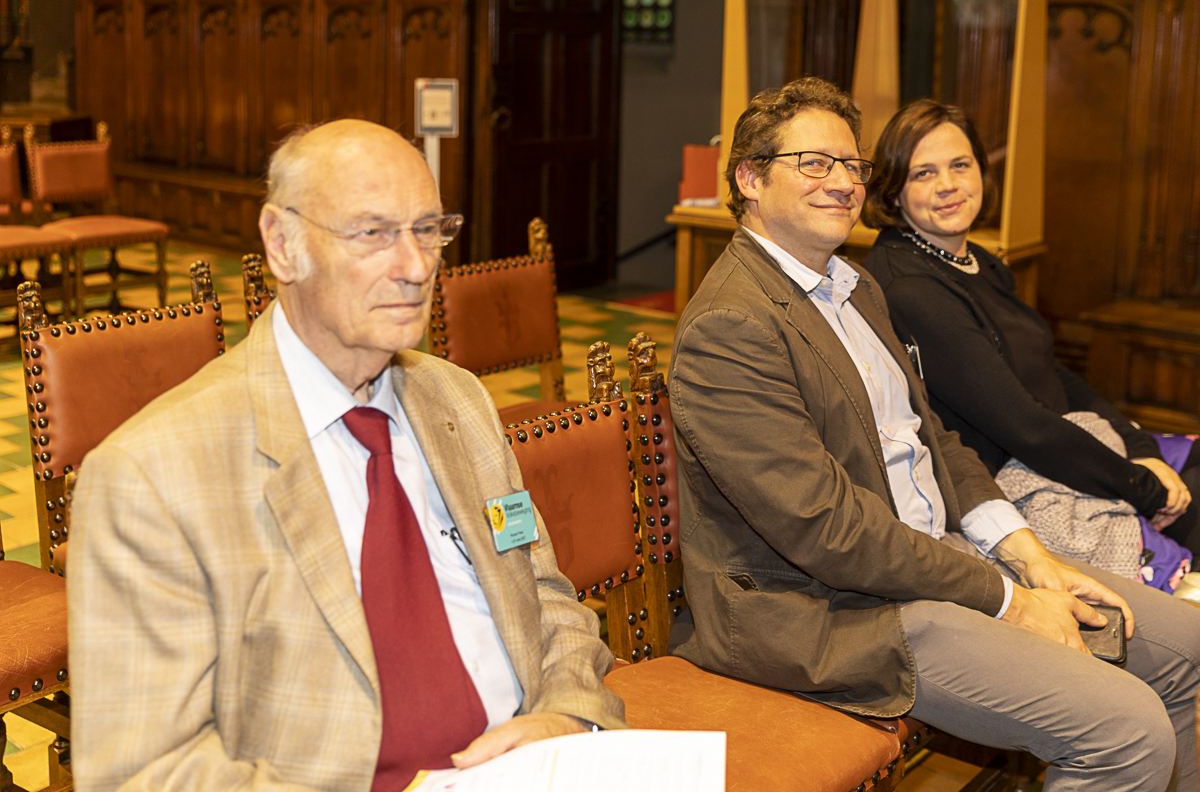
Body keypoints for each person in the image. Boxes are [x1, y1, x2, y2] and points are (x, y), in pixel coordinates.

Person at [669, 77, 1200, 791]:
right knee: (1127, 732)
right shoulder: (732, 326)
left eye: (851, 165)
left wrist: (1030, 557)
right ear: (750, 179)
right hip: (829, 610)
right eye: (814, 163)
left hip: (932, 557)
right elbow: (829, 532)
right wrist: (1011, 598)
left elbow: (937, 440)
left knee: (1187, 647)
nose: (842, 183)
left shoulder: (854, 286)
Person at [68, 120, 625, 792]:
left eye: (428, 230)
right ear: (283, 244)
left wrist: (569, 717)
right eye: (372, 233)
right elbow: (144, 771)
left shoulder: (459, 400)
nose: (416, 266)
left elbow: (544, 597)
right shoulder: (151, 475)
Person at [860, 99, 1200, 573]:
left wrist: (1141, 449)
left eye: (960, 165)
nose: (948, 185)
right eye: (923, 173)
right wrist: (1142, 486)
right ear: (894, 191)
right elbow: (1023, 426)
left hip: (1062, 441)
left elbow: (1049, 368)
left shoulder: (975, 258)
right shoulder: (911, 287)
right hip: (1020, 477)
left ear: (982, 172)